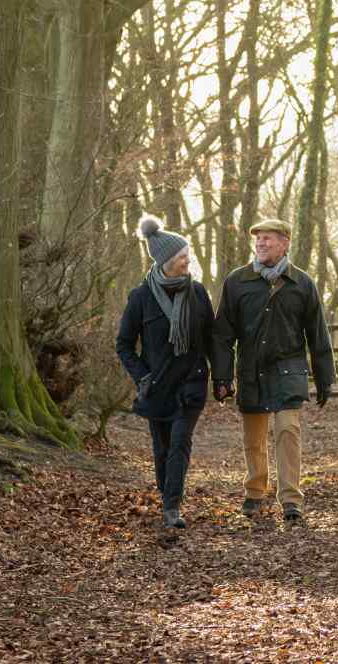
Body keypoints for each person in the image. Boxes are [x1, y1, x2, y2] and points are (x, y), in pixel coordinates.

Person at [211, 217, 335, 527]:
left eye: (268, 237)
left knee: (287, 430)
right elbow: (223, 335)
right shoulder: (237, 281)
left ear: (284, 243)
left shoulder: (302, 283)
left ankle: (291, 499)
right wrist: (222, 377)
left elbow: (317, 334)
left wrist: (324, 378)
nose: (261, 243)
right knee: (253, 437)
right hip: (251, 370)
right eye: (258, 238)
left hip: (288, 369)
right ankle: (255, 491)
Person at [116, 214, 214, 530]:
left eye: (188, 254)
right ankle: (166, 493)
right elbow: (124, 345)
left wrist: (222, 378)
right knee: (161, 448)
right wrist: (143, 376)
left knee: (179, 444)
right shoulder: (141, 297)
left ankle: (172, 506)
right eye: (183, 256)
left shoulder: (197, 293)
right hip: (157, 387)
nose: (188, 260)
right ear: (166, 261)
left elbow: (213, 340)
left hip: (191, 384)